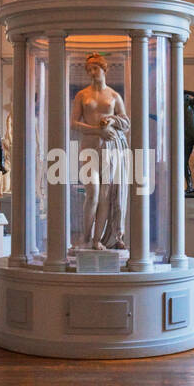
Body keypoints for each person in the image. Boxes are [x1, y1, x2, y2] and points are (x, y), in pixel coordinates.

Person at [71, 52, 129, 249]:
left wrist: (111, 120)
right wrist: (97, 130)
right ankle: (85, 238)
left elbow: (126, 122)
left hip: (110, 148)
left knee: (105, 195)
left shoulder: (113, 95)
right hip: (89, 147)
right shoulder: (82, 95)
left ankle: (97, 240)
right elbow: (74, 123)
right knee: (93, 191)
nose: (91, 72)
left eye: (95, 68)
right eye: (88, 69)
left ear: (104, 69)